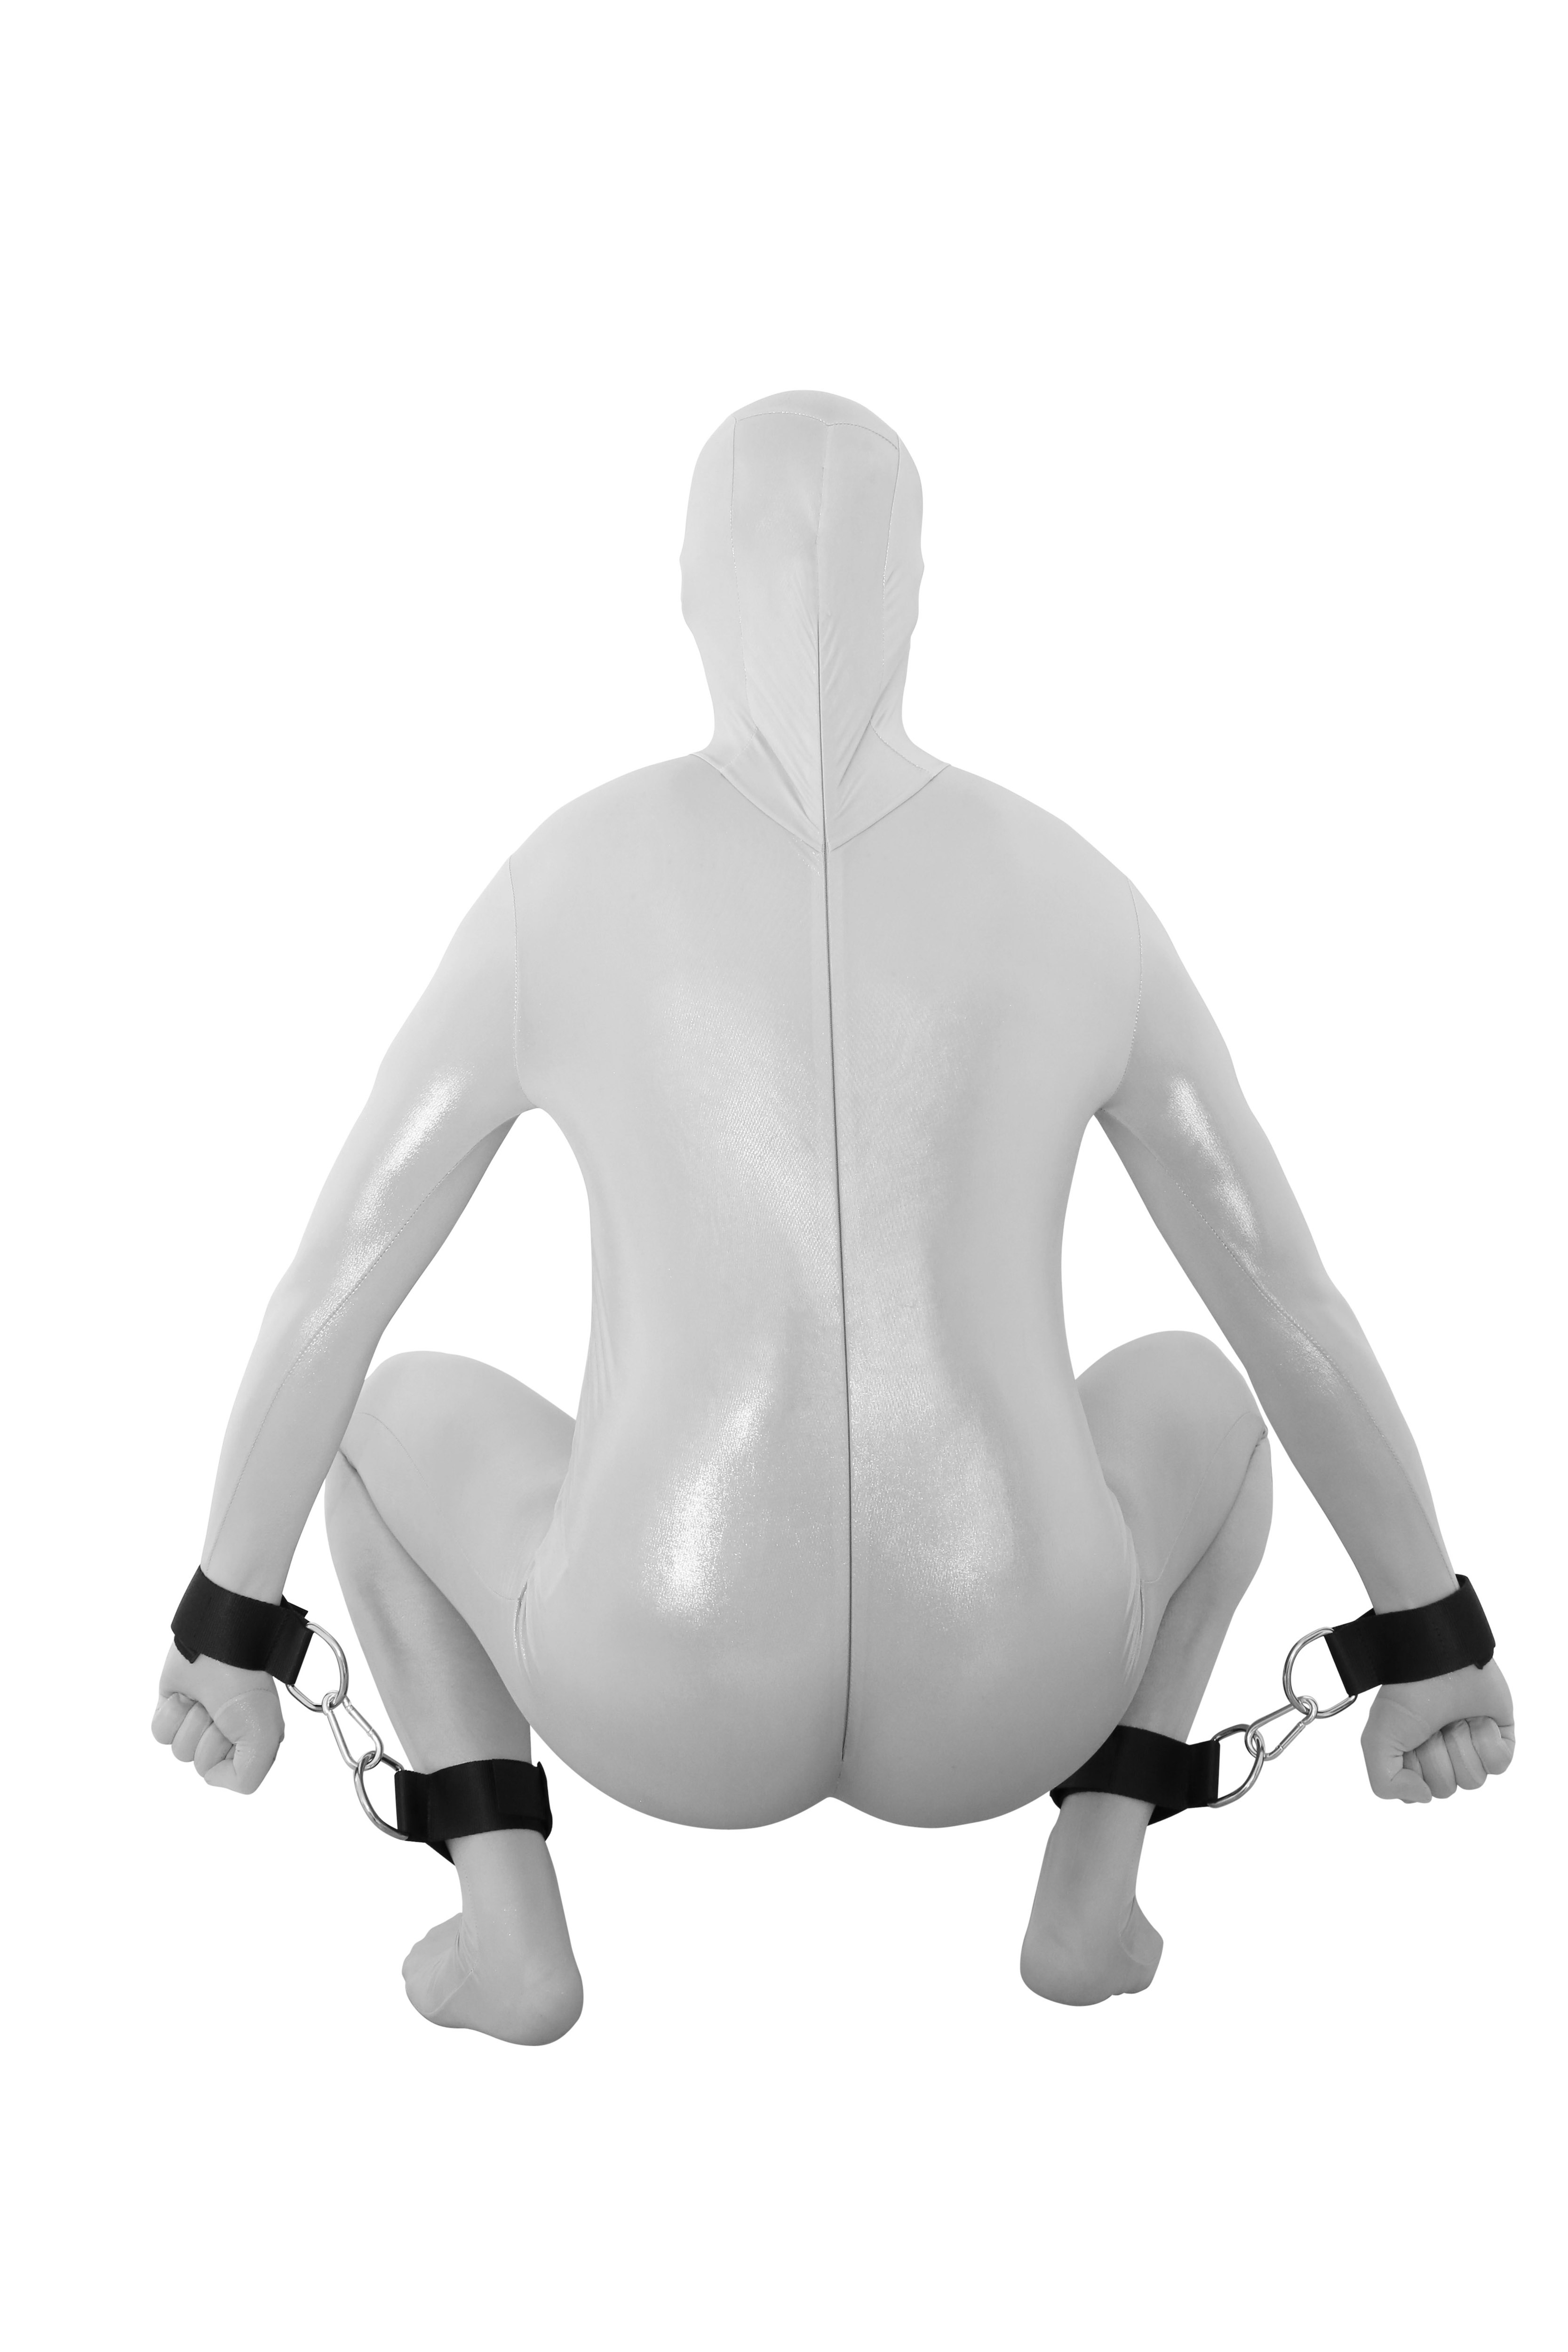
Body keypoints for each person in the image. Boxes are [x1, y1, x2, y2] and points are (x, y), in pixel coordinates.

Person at [152, 390, 1514, 2039]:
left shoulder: (562, 884)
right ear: (918, 595)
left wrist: (230, 1623)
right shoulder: (1075, 893)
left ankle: (512, 1935)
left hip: (658, 1665)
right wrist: (1428, 1631)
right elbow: (1284, 1302)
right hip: (1019, 1665)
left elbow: (338, 1279)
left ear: (684, 591)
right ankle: (1090, 1884)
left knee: (376, 1424)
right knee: (1211, 1403)